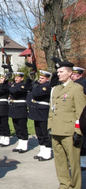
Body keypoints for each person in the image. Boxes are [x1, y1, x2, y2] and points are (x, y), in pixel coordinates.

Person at [48, 61, 86, 189]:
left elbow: (81, 114)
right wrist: (49, 127)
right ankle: (64, 185)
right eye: (58, 72)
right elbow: (51, 110)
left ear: (70, 73)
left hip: (70, 132)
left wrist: (78, 132)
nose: (58, 74)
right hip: (56, 130)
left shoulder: (76, 89)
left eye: (61, 71)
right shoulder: (56, 89)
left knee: (74, 163)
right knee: (60, 162)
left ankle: (75, 186)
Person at [26, 70, 52, 161]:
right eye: (40, 78)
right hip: (37, 111)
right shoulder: (39, 85)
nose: (40, 80)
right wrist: (29, 79)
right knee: (39, 133)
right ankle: (42, 150)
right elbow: (28, 88)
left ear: (47, 79)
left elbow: (36, 94)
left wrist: (35, 85)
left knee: (44, 133)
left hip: (43, 112)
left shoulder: (47, 86)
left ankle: (47, 152)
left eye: (42, 78)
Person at [70, 67, 86, 171]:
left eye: (74, 74)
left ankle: (84, 161)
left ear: (80, 74)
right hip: (73, 112)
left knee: (82, 138)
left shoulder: (83, 83)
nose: (72, 76)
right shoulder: (72, 84)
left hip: (82, 112)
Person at [9, 72, 29, 153]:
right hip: (14, 108)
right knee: (17, 127)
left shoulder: (23, 85)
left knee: (22, 127)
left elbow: (15, 91)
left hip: (21, 108)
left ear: (22, 78)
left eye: (18, 77)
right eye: (15, 77)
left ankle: (24, 144)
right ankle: (20, 143)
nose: (16, 79)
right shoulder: (13, 85)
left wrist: (10, 88)